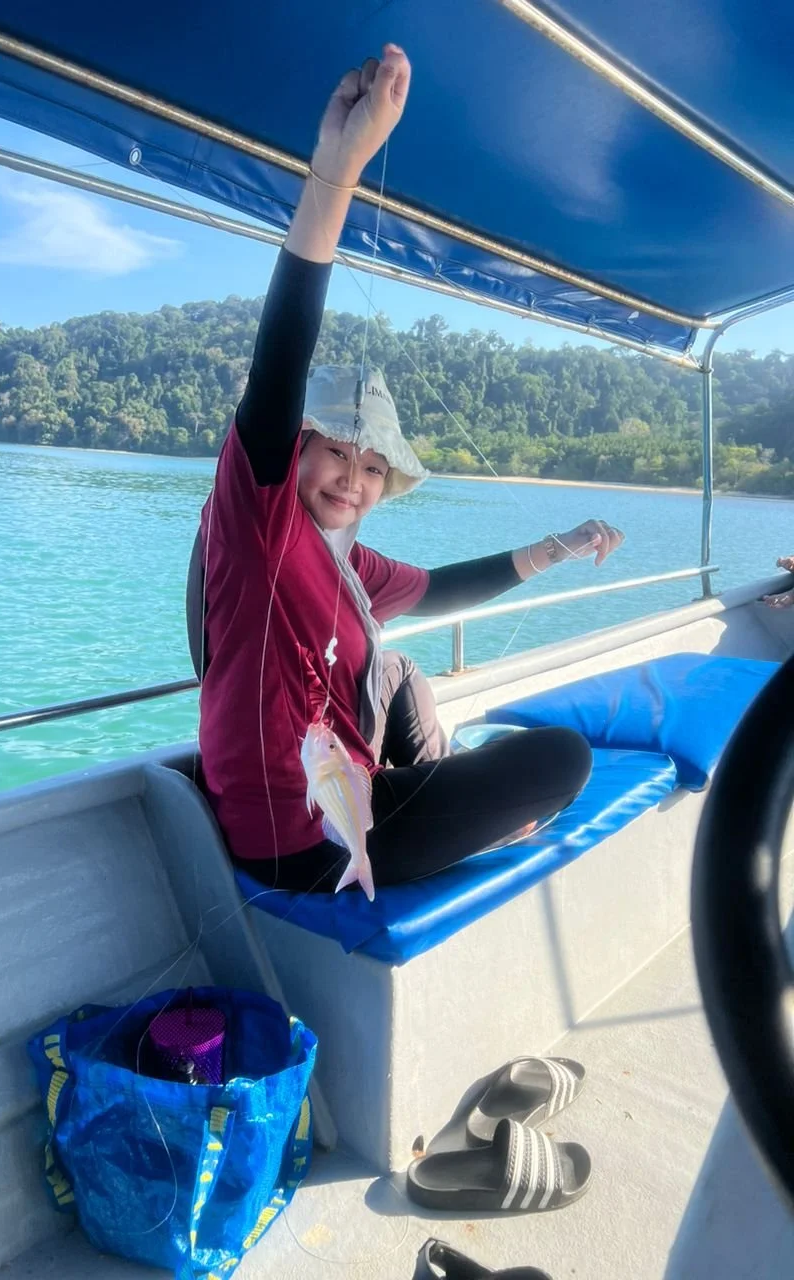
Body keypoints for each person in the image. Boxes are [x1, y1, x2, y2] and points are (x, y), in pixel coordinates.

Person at [196, 44, 624, 894]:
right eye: (333, 453)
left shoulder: (347, 565)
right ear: (296, 448)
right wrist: (339, 168)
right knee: (561, 760)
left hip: (353, 788)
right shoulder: (258, 523)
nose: (350, 480)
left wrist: (560, 548)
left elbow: (440, 589)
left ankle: (440, 798)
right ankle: (449, 823)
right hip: (302, 836)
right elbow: (281, 359)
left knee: (397, 671)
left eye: (372, 467)